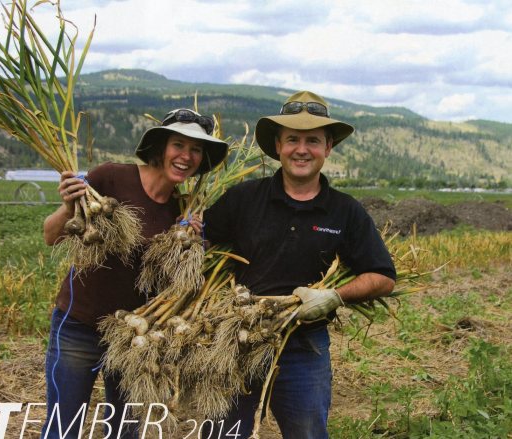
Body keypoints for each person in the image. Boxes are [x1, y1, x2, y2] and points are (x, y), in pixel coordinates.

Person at [203, 91, 396, 439]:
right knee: (223, 433)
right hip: (236, 340)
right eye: (292, 139)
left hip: (303, 348)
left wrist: (334, 296)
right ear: (278, 146)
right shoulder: (243, 199)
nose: (302, 149)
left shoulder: (345, 211)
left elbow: (382, 277)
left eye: (313, 141)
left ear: (328, 148)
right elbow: (201, 240)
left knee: (307, 433)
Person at [40, 108, 228, 439]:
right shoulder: (110, 177)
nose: (186, 156)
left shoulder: (181, 210)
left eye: (196, 149)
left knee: (125, 432)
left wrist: (189, 245)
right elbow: (51, 235)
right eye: (178, 145)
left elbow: (172, 283)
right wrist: (70, 206)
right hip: (79, 326)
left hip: (134, 335)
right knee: (62, 427)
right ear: (160, 147)